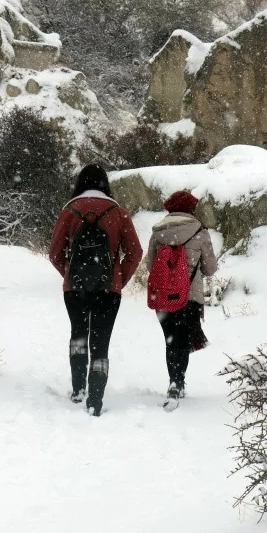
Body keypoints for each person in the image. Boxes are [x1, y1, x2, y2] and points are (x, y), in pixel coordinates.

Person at [49, 164, 142, 416]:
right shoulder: (118, 212)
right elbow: (135, 253)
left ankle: (78, 389)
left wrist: (70, 276)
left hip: (75, 288)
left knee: (78, 335)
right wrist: (117, 279)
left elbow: (55, 254)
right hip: (108, 289)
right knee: (101, 345)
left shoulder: (69, 210)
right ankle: (95, 400)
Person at [146, 190, 217, 408]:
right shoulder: (199, 231)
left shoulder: (158, 231)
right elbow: (210, 268)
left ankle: (174, 381)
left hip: (164, 295)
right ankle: (178, 381)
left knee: (171, 339)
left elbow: (151, 266)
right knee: (183, 341)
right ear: (191, 208)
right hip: (189, 296)